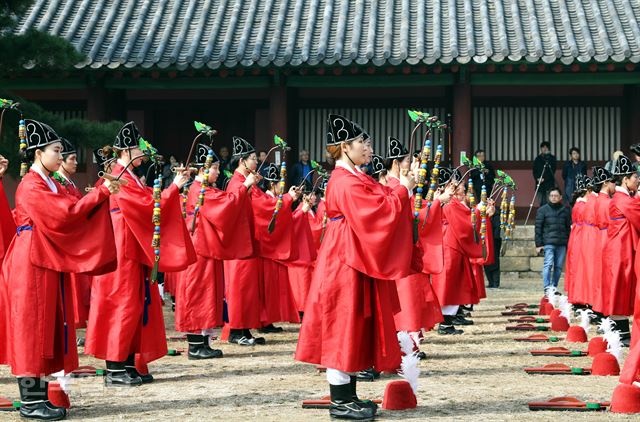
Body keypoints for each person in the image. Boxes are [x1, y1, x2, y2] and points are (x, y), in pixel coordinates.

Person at [295, 114, 415, 420]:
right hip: (343, 260)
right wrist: (403, 190)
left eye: (367, 141)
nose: (368, 146)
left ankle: (349, 396)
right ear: (344, 146)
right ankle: (340, 401)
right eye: (363, 141)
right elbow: (378, 210)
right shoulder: (344, 181)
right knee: (341, 325)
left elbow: (380, 198)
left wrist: (399, 187)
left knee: (352, 324)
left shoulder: (355, 177)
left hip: (353, 255)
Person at [2, 119, 120, 420]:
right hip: (30, 261)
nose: (60, 155)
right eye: (56, 150)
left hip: (43, 258)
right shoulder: (32, 185)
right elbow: (65, 214)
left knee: (44, 328)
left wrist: (98, 195)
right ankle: (30, 402)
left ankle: (39, 397)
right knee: (32, 328)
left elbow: (74, 208)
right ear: (38, 153)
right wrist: (102, 193)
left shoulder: (49, 182)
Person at [85, 121, 196, 386]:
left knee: (133, 304)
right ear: (126, 150)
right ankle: (114, 368)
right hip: (122, 245)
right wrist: (174, 187)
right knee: (120, 303)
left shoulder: (127, 174)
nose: (141, 152)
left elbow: (147, 196)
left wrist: (172, 187)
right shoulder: (117, 175)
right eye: (137, 147)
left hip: (131, 243)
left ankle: (125, 361)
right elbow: (146, 205)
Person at [175, 143, 257, 359]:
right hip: (199, 248)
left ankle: (203, 342)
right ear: (204, 169)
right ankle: (195, 346)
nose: (218, 173)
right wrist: (244, 186)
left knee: (207, 294)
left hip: (206, 247)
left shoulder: (204, 189)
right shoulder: (199, 190)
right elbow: (226, 203)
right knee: (197, 293)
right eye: (215, 169)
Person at [600, 154, 640, 346]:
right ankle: (621, 333)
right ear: (625, 179)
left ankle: (620, 332)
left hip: (619, 247)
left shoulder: (622, 197)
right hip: (620, 250)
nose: (638, 180)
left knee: (620, 288)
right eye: (635, 178)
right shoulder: (623, 199)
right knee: (620, 287)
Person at [534, 187, 571, 292]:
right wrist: (538, 244)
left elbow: (568, 227)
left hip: (562, 242)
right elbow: (538, 228)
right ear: (549, 197)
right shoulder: (542, 210)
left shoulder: (565, 210)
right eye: (552, 196)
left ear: (560, 197)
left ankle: (554, 286)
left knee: (558, 267)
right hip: (548, 242)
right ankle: (547, 287)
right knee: (548, 264)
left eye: (556, 196)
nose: (554, 198)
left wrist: (568, 242)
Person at [532, 142, 557, 206]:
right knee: (541, 202)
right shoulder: (537, 158)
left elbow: (552, 170)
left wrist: (544, 178)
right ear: (541, 149)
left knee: (549, 202)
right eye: (543, 147)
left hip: (549, 184)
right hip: (539, 184)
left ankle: (549, 216)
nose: (544, 149)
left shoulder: (552, 158)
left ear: (549, 149)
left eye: (546, 147)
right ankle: (542, 215)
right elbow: (534, 170)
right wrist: (537, 178)